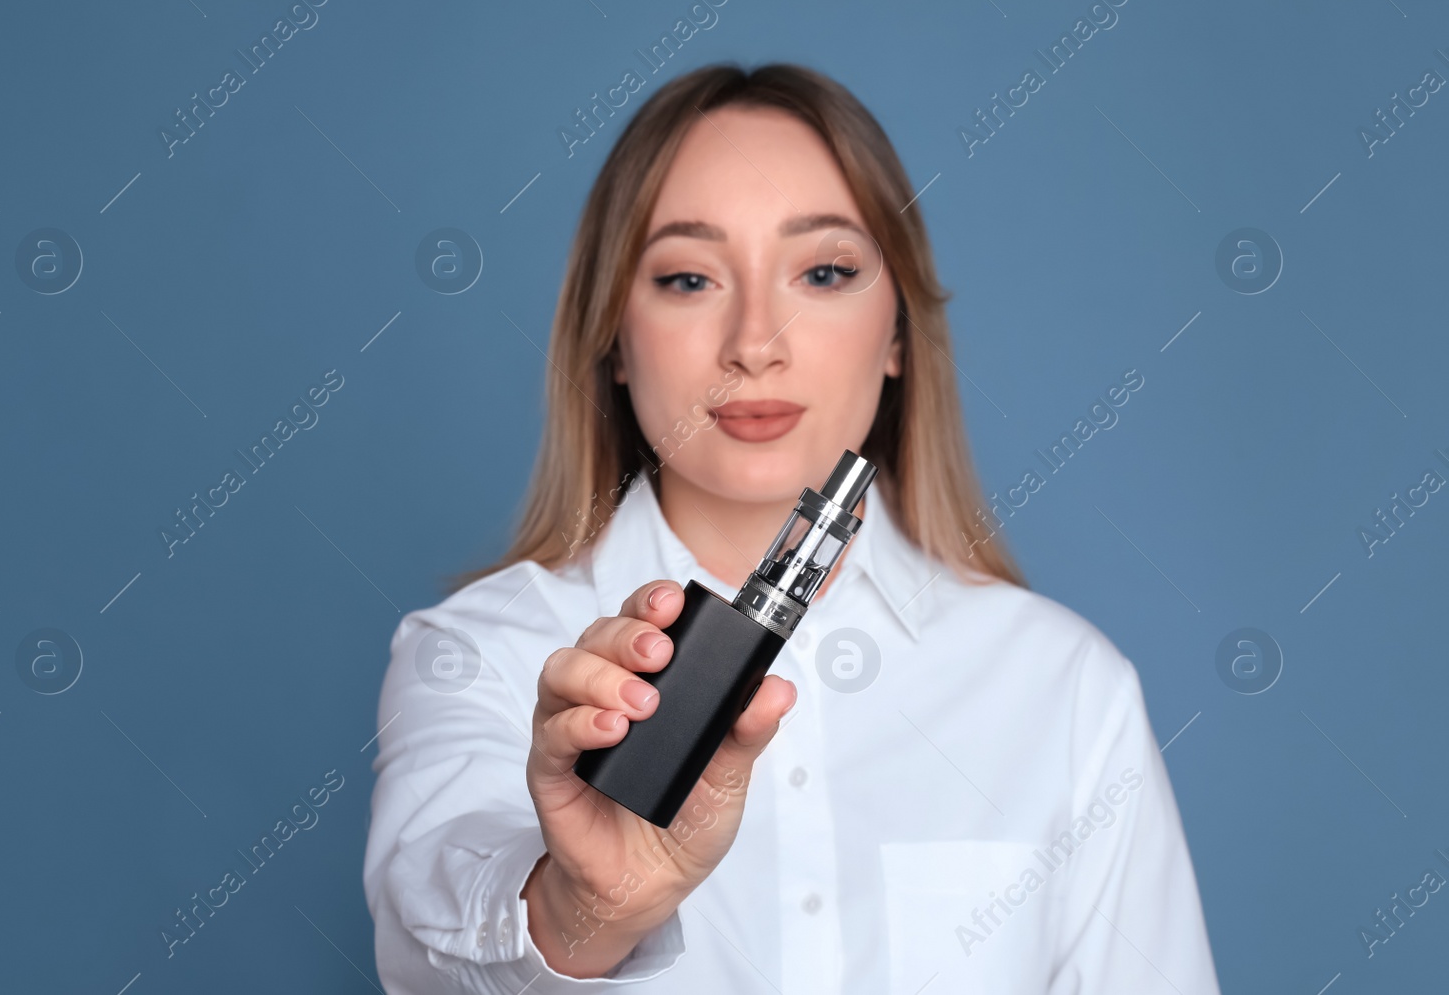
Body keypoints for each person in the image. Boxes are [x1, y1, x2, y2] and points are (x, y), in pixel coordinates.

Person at [363, 63, 1219, 994]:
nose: (756, 339)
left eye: (824, 271)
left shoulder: (1062, 688)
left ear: (897, 334)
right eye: (688, 276)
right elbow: (426, 956)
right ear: (611, 334)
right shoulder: (480, 652)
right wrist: (582, 908)